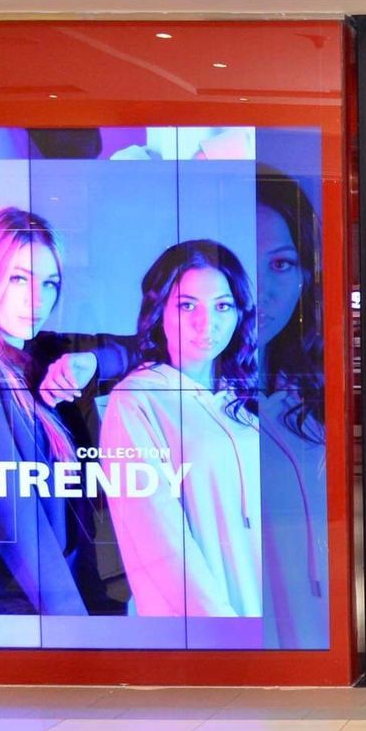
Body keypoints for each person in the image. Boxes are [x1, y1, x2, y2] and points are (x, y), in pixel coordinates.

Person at [101, 240, 263, 618]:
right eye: (187, 305)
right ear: (159, 312)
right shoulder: (137, 401)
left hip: (264, 610)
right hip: (202, 625)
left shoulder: (243, 397)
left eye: (222, 306)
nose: (206, 323)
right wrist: (221, 624)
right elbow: (158, 537)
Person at [0, 207, 90, 615]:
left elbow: (145, 342)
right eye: (19, 279)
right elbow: (13, 520)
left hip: (61, 596)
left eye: (50, 283)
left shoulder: (39, 358)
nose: (38, 299)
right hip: (27, 606)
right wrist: (78, 628)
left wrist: (95, 361)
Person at [253, 167, 329, 648]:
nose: (260, 289)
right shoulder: (170, 399)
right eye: (241, 260)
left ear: (305, 274)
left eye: (280, 264)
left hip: (317, 616)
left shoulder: (309, 390)